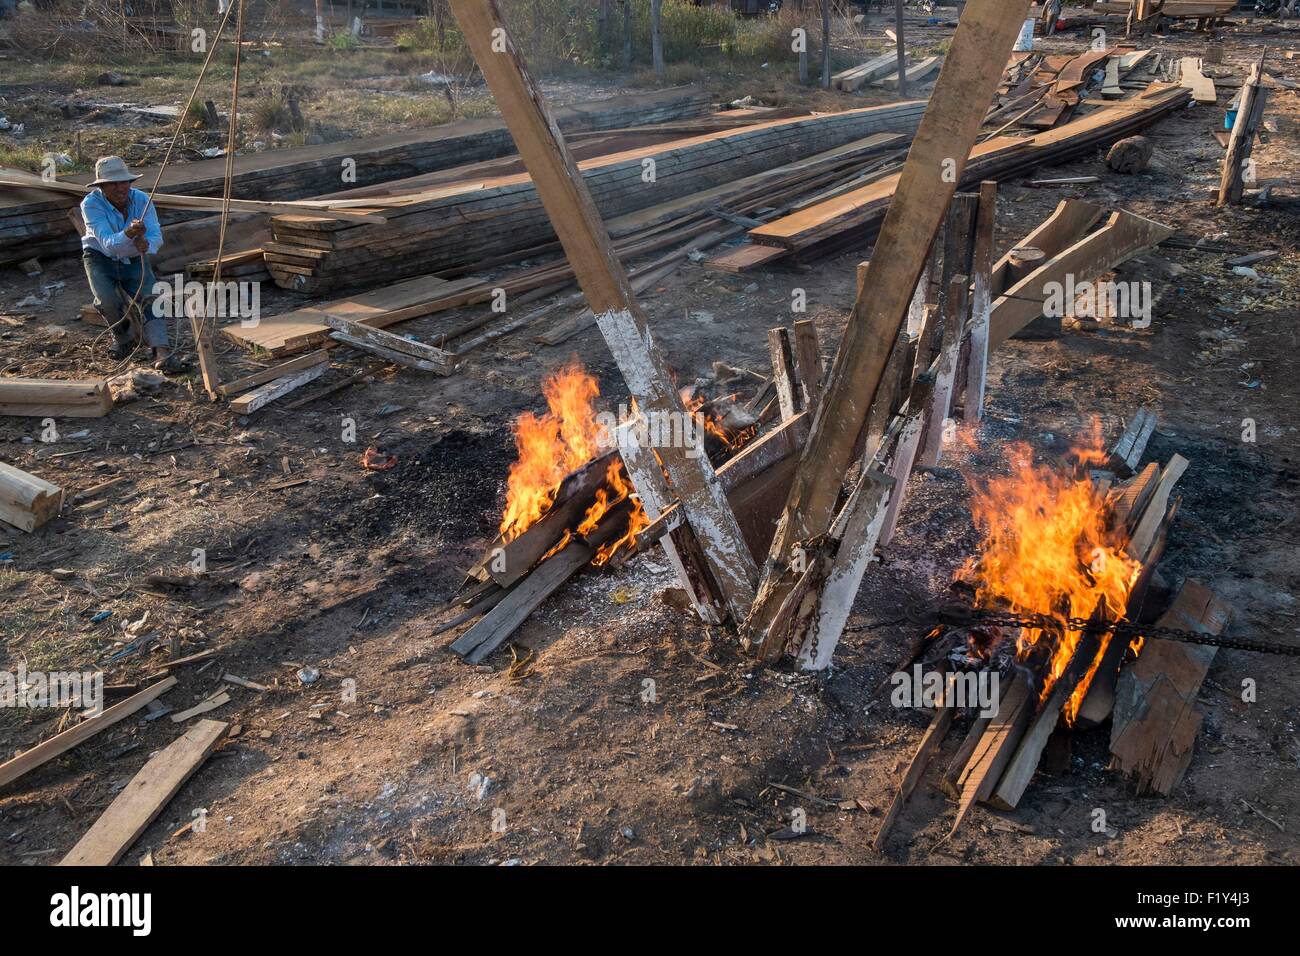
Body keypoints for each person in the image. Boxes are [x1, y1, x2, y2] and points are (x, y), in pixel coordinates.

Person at [80, 155, 183, 372]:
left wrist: (148, 243)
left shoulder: (142, 200)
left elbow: (156, 235)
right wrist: (128, 233)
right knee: (107, 299)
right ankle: (123, 339)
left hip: (134, 257)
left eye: (123, 182)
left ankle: (161, 350)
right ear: (102, 186)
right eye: (113, 184)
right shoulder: (91, 204)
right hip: (100, 257)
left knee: (151, 297)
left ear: (130, 182)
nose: (120, 188)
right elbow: (108, 244)